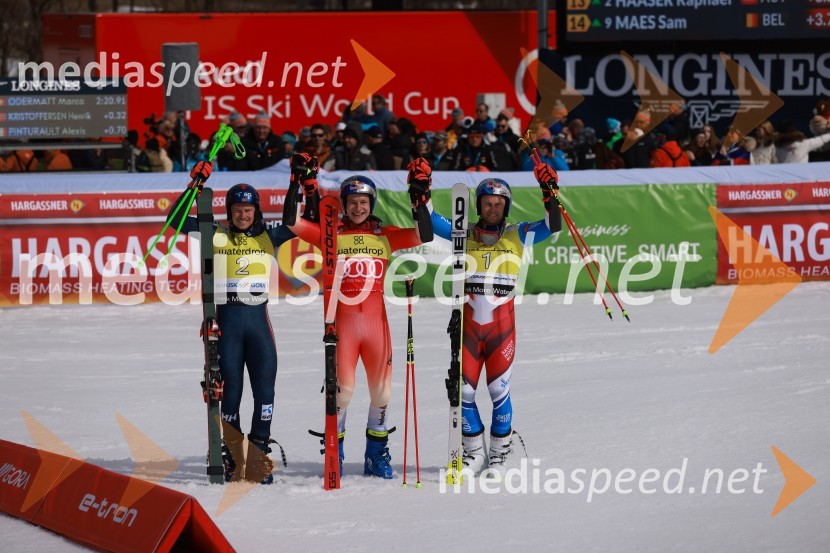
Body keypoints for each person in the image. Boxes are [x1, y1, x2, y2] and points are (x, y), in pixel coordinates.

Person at [167, 157, 319, 484]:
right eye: (237, 209)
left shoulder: (270, 236)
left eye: (248, 210)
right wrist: (195, 184)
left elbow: (307, 220)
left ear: (257, 211)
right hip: (228, 325)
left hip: (259, 325)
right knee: (231, 392)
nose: (243, 214)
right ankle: (233, 455)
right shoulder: (215, 233)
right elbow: (175, 220)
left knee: (265, 392)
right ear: (229, 211)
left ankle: (259, 455)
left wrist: (303, 185)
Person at [286, 156, 433, 479]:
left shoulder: (386, 235)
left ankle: (376, 455)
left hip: (377, 325)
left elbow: (424, 235)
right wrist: (298, 184)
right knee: (343, 392)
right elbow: (292, 223)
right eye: (352, 202)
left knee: (382, 393)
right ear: (344, 205)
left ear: (371, 204)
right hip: (344, 326)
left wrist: (421, 196)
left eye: (363, 202)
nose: (357, 208)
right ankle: (334, 454)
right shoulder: (330, 234)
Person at [427, 166, 562, 478]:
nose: (492, 208)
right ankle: (474, 453)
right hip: (469, 331)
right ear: (478, 206)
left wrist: (548, 191)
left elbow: (552, 225)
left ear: (507, 207)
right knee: (463, 393)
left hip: (502, 331)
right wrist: (419, 191)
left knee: (498, 393)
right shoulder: (463, 233)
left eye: (498, 204)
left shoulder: (519, 234)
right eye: (487, 203)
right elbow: (431, 220)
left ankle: (499, 456)